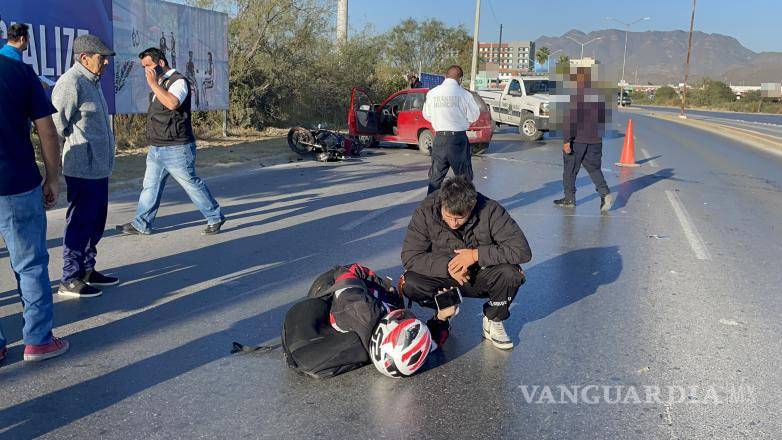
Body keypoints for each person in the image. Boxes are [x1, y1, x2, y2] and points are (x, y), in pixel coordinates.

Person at [400, 176, 532, 350]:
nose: (454, 223)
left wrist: (475, 255)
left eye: (460, 218)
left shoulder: (490, 210)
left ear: (471, 207)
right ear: (441, 203)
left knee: (512, 274)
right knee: (409, 283)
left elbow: (522, 250)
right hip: (445, 277)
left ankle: (493, 319)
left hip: (479, 275)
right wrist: (448, 267)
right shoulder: (426, 211)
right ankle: (444, 311)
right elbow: (411, 255)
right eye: (448, 217)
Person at [0, 48, 70, 363]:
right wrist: (53, 177)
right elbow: (47, 130)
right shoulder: (18, 71)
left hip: (16, 184)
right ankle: (38, 340)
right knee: (29, 263)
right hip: (17, 183)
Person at [116, 47, 225, 235]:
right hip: (157, 147)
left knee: (191, 184)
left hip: (177, 147)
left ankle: (215, 216)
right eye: (143, 67)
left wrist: (153, 84)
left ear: (161, 63)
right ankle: (141, 223)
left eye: (148, 65)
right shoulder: (160, 82)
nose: (146, 71)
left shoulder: (178, 81)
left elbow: (173, 103)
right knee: (150, 186)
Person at [51, 35, 119, 298]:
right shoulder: (71, 83)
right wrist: (53, 172)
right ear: (84, 58)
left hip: (100, 168)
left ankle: (88, 270)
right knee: (79, 223)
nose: (105, 63)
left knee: (95, 223)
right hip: (82, 168)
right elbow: (56, 128)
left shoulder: (93, 81)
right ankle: (69, 277)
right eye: (102, 58)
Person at [555, 66, 613, 211]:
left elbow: (570, 120)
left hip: (578, 141)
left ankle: (569, 198)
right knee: (594, 169)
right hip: (595, 141)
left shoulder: (576, 96)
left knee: (570, 170)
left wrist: (566, 140)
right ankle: (604, 193)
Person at [422, 65, 480, 194]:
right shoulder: (464, 94)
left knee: (435, 178)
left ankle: (431, 209)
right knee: (463, 179)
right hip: (457, 140)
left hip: (440, 138)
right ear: (460, 79)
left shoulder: (433, 93)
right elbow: (474, 115)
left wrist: (440, 120)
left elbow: (426, 114)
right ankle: (464, 210)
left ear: (445, 77)